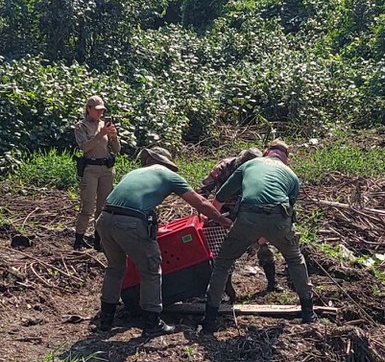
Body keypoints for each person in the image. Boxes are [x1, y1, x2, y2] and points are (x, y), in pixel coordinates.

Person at [96, 146, 232, 337]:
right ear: (166, 163)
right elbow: (199, 202)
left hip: (104, 220)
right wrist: (221, 220)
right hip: (130, 223)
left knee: (115, 269)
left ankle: (106, 321)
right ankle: (152, 323)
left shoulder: (134, 173)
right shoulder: (168, 175)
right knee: (151, 270)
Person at [201, 139, 316, 333]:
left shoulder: (250, 164)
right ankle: (308, 313)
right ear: (287, 160)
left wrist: (214, 221)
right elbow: (290, 210)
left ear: (266, 152)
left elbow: (219, 198)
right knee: (295, 260)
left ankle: (210, 319)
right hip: (279, 219)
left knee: (222, 263)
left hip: (247, 218)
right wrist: (266, 235)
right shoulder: (292, 175)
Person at [198, 148, 283, 294]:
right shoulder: (223, 167)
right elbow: (203, 190)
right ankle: (223, 285)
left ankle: (272, 282)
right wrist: (203, 211)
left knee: (264, 244)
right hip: (223, 208)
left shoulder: (263, 169)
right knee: (220, 247)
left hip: (250, 209)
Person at [74, 94, 121, 251]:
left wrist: (113, 136)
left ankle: (98, 239)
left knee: (103, 207)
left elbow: (117, 150)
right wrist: (100, 135)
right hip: (91, 169)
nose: (100, 114)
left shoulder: (104, 125)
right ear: (88, 109)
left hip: (106, 169)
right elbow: (84, 148)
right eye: (97, 110)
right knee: (87, 206)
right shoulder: (81, 126)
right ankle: (78, 240)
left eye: (102, 111)